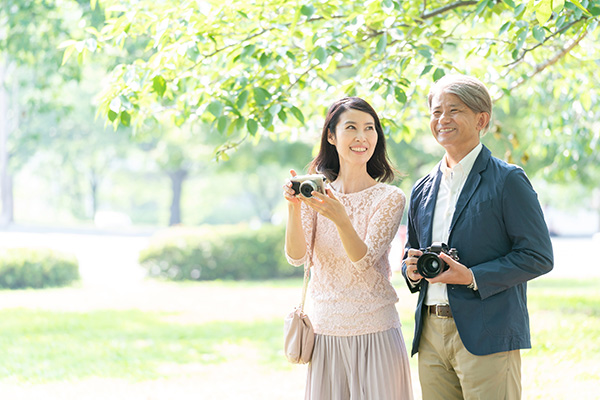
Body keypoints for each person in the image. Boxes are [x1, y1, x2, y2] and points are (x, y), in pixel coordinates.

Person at [401, 74, 554, 400]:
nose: (442, 119)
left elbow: (538, 255)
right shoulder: (422, 188)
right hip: (429, 335)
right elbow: (410, 254)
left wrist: (471, 276)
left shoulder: (508, 180)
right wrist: (411, 270)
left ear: (481, 119)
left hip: (488, 332)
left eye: (454, 110)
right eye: (436, 111)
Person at [283, 97, 413, 400]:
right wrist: (293, 207)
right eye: (351, 127)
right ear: (331, 135)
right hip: (325, 336)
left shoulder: (389, 198)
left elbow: (363, 260)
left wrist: (341, 218)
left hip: (377, 333)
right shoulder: (315, 193)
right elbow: (296, 256)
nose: (361, 137)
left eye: (370, 129)